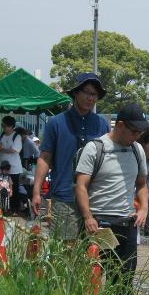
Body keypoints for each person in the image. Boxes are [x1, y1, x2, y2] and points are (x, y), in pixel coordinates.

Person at [74, 104, 149, 295]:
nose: (137, 136)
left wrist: (143, 209)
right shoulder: (95, 148)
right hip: (97, 225)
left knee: (124, 280)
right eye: (134, 131)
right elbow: (81, 185)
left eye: (140, 132)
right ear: (120, 125)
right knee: (91, 278)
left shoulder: (137, 150)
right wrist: (87, 216)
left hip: (126, 223)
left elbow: (142, 184)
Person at [32, 73, 110, 240]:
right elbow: (45, 157)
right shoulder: (56, 122)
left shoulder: (102, 123)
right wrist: (36, 191)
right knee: (64, 250)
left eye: (94, 94)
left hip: (95, 198)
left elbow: (108, 160)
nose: (91, 98)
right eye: (87, 92)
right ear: (76, 93)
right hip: (64, 196)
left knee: (93, 251)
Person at [0, 116, 23, 214]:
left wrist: (2, 149)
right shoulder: (1, 135)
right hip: (2, 168)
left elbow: (14, 150)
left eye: (5, 126)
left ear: (11, 126)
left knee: (13, 189)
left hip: (14, 168)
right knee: (2, 188)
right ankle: (3, 208)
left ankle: (14, 209)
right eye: (2, 126)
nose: (3, 128)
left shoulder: (17, 136)